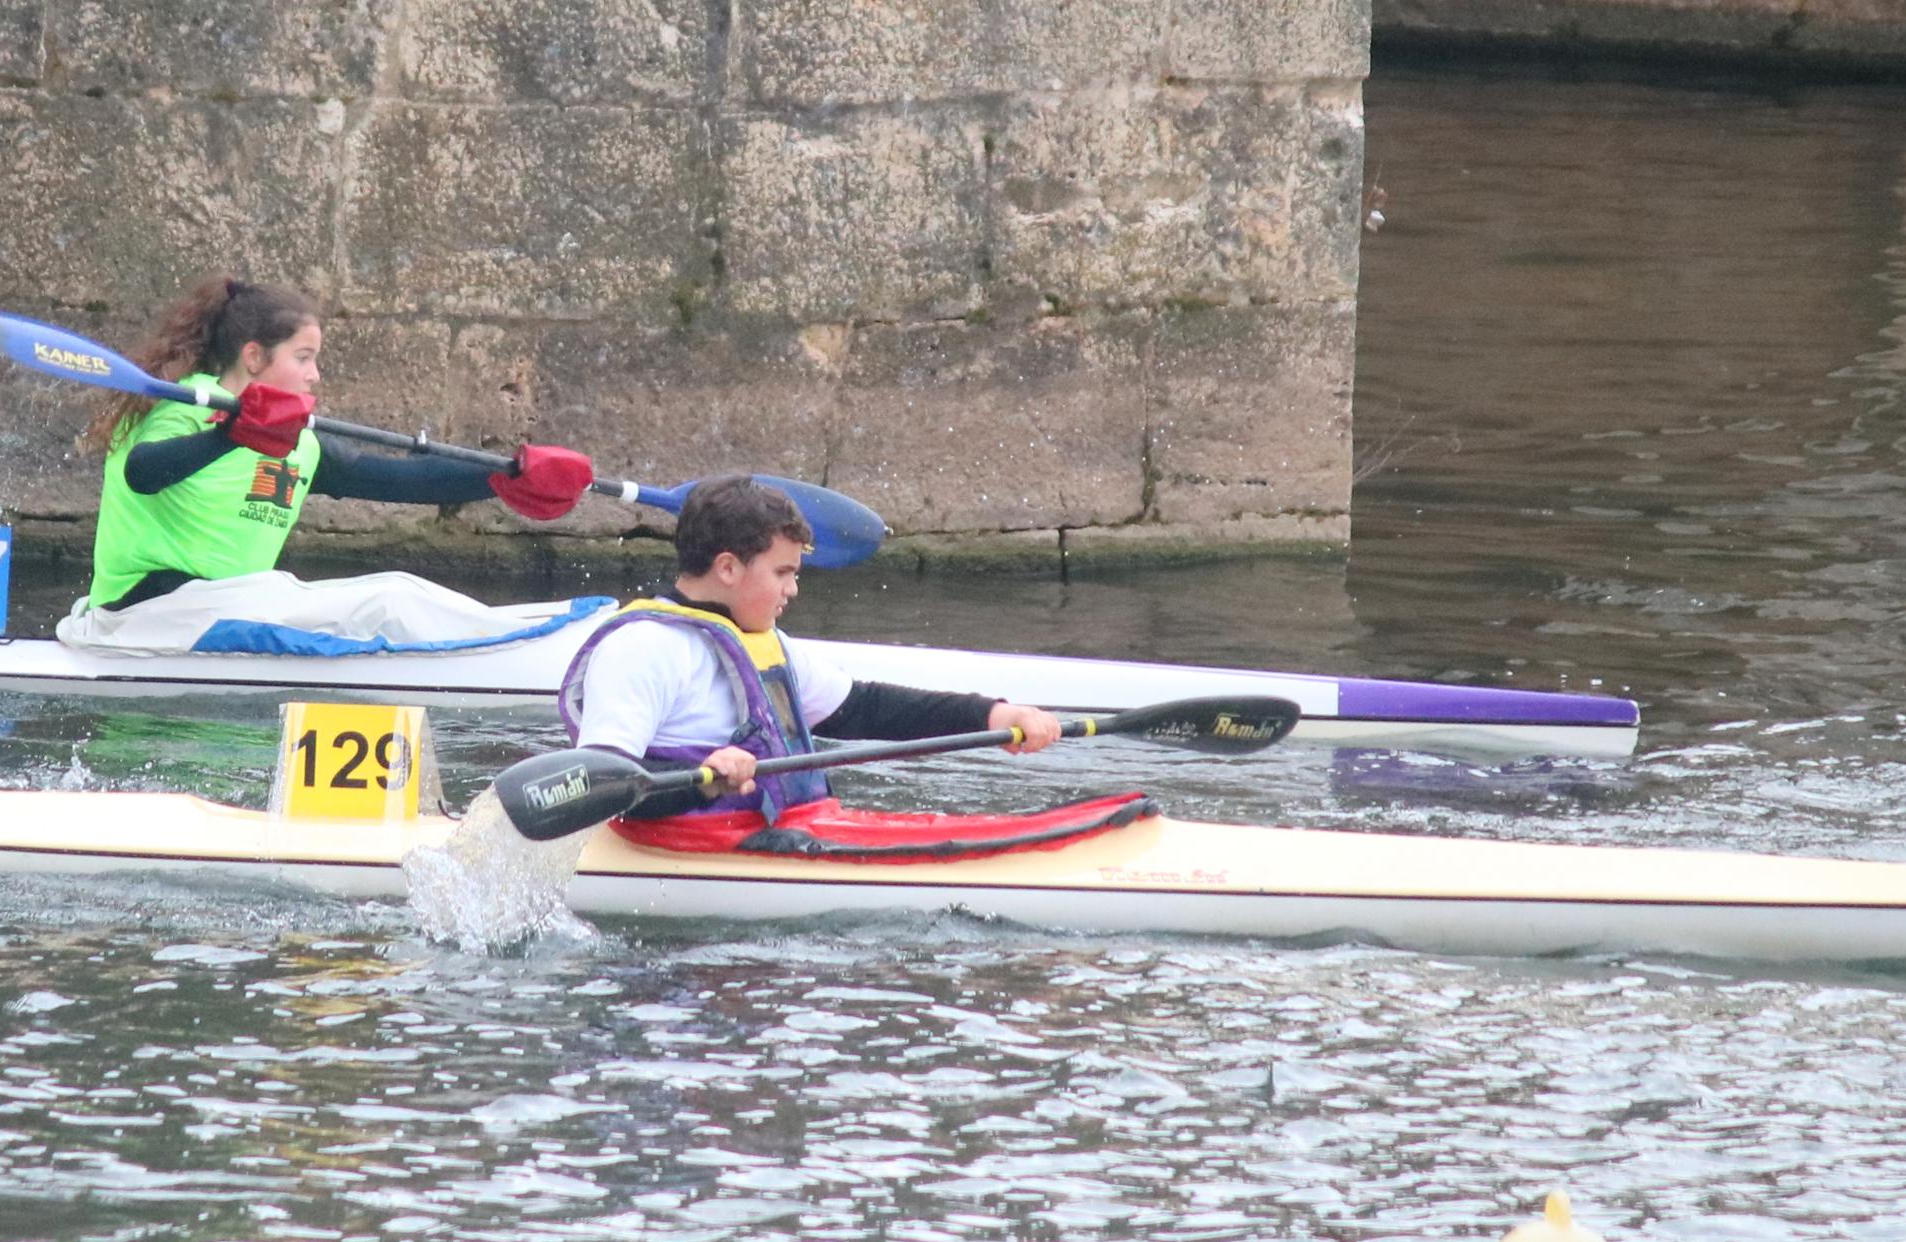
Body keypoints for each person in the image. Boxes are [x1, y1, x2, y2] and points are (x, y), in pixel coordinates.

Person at [558, 478, 1157, 859]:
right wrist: (704, 776)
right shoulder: (643, 649)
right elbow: (601, 786)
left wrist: (996, 712)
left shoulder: (765, 643)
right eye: (784, 573)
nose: (794, 589)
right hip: (681, 849)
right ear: (729, 568)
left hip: (793, 830)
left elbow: (865, 708)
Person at [61, 276, 598, 648]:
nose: (315, 375)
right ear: (254, 358)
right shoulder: (183, 404)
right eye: (303, 358)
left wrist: (507, 474)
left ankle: (537, 630)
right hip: (139, 614)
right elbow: (144, 472)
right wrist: (232, 436)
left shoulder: (301, 443)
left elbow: (399, 478)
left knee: (396, 592)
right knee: (388, 599)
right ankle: (527, 644)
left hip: (218, 613)